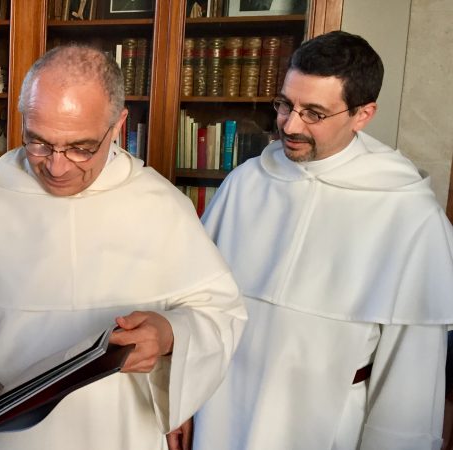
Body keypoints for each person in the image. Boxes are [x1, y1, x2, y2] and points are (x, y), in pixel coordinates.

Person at [0, 44, 247, 450]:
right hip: (7, 436)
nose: (57, 166)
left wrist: (170, 333)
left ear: (118, 124)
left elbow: (218, 314)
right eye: (39, 143)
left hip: (120, 431)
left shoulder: (160, 206)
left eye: (81, 147)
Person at [193, 31, 453, 449]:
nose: (290, 125)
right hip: (222, 408)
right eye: (286, 105)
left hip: (324, 422)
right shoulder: (246, 182)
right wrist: (181, 403)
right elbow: (198, 306)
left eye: (314, 112)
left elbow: (411, 374)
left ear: (363, 114)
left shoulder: (409, 215)